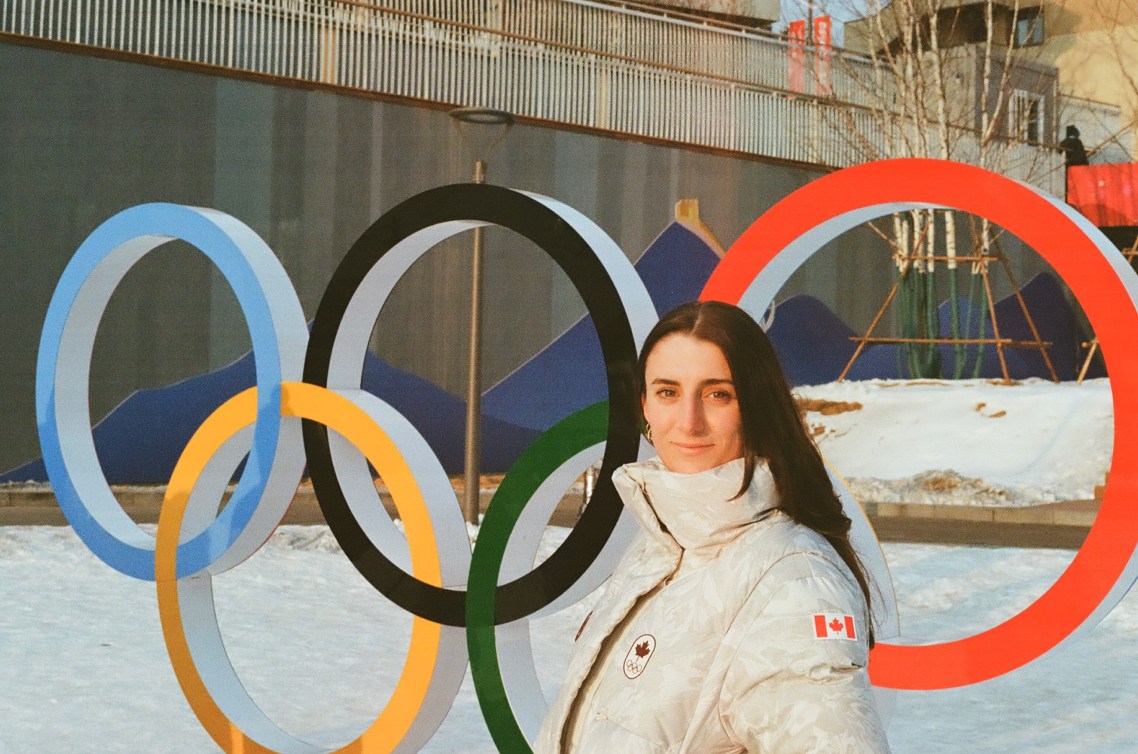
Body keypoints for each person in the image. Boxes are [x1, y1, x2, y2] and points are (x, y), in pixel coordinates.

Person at [535, 300, 890, 753]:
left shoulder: (792, 583)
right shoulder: (660, 549)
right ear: (644, 405)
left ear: (756, 406)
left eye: (717, 394)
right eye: (667, 392)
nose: (689, 421)